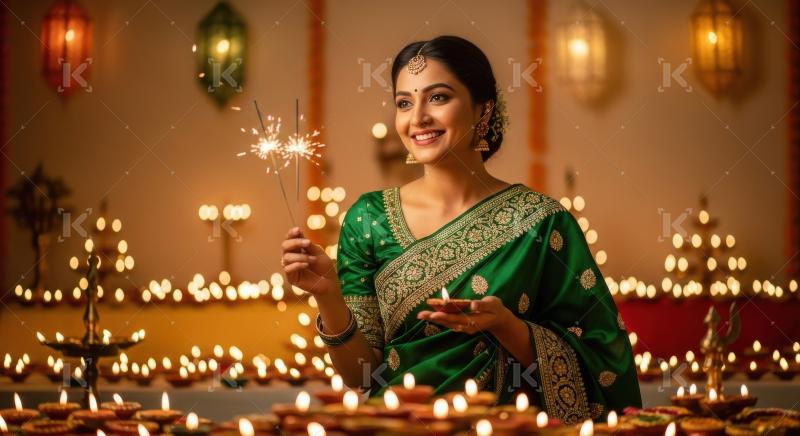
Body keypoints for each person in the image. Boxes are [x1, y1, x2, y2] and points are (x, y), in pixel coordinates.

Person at [280, 35, 641, 423]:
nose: (417, 117)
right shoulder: (369, 219)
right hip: (398, 429)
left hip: (501, 429)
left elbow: (604, 357)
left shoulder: (540, 222)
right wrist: (329, 296)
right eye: (404, 102)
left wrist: (508, 326)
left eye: (438, 97)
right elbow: (359, 373)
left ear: (482, 110)